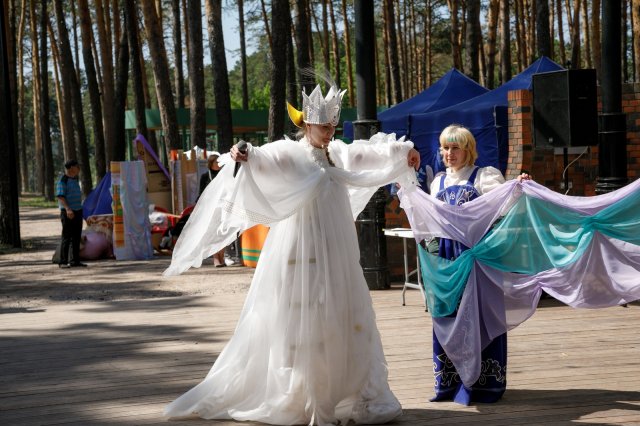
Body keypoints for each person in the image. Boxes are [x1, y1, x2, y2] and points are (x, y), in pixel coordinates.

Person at [163, 79, 420, 425]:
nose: (328, 131)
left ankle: (340, 391)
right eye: (322, 125)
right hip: (301, 249)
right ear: (306, 124)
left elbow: (365, 152)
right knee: (303, 318)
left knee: (340, 312)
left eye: (332, 125)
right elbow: (262, 157)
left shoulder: (338, 152)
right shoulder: (292, 153)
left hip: (337, 250)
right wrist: (244, 152)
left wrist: (402, 153)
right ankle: (305, 395)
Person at [426, 124, 529, 405]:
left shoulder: (484, 176)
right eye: (445, 147)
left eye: (455, 147)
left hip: (475, 258)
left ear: (468, 150)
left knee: (480, 317)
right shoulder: (437, 182)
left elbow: (504, 206)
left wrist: (517, 187)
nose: (449, 153)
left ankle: (484, 384)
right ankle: (450, 383)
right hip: (447, 261)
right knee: (448, 317)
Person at [56, 159, 87, 268]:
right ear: (71, 168)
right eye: (77, 166)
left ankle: (75, 261)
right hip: (68, 212)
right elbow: (60, 196)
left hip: (78, 211)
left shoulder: (74, 179)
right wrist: (68, 209)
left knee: (76, 237)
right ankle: (63, 261)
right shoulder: (63, 180)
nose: (78, 168)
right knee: (67, 236)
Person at [198, 154, 226, 267]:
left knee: (223, 233)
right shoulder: (205, 176)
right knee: (214, 233)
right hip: (211, 209)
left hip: (223, 207)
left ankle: (222, 256)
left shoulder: (224, 175)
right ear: (211, 163)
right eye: (216, 162)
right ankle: (216, 258)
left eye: (219, 162)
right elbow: (201, 194)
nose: (218, 164)